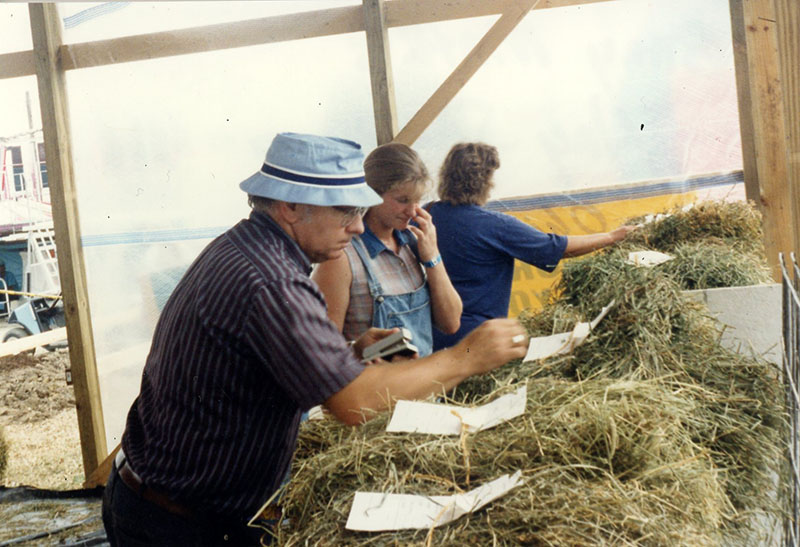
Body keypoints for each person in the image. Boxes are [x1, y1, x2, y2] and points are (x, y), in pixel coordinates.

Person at [101, 132, 529, 546]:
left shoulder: (244, 248)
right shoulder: (274, 282)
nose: (359, 227)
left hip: (176, 501)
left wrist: (348, 351)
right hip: (179, 523)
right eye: (345, 212)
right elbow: (352, 404)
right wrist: (466, 358)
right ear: (290, 206)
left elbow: (260, 359)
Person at [428, 142, 637, 351]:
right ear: (485, 182)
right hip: (478, 340)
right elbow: (554, 248)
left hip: (430, 337)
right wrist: (612, 236)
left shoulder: (425, 215)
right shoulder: (493, 225)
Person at [312, 142, 461, 356]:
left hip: (423, 384)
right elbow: (322, 351)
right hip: (376, 386)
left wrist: (432, 258)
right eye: (402, 200)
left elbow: (451, 323)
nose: (412, 211)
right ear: (371, 194)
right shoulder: (342, 257)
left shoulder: (412, 245)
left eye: (417, 201)